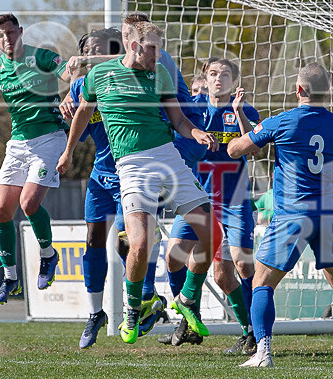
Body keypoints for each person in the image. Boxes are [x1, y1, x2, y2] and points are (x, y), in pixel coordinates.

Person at [57, 21, 218, 345]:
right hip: (131, 167)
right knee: (139, 244)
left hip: (169, 159)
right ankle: (133, 308)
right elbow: (83, 113)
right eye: (153, 47)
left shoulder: (160, 75)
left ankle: (187, 299)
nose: (159, 54)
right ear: (134, 46)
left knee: (212, 232)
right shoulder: (99, 76)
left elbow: (177, 119)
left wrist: (196, 132)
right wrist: (68, 151)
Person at [227, 63, 333, 368]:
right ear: (328, 91)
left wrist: (237, 127)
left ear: (299, 90)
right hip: (325, 216)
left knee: (261, 283)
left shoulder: (282, 121)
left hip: (291, 216)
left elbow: (237, 150)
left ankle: (263, 353)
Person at [59, 28, 163, 348]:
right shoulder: (82, 87)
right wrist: (68, 107)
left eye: (97, 50)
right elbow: (78, 126)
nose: (90, 56)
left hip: (132, 174)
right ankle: (95, 313)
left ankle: (147, 298)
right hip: (100, 174)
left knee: (126, 241)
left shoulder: (131, 81)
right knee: (93, 239)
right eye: (87, 51)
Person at [0, 13, 68, 305]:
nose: (7, 38)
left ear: (20, 31)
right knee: (1, 212)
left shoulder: (41, 57)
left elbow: (69, 73)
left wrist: (73, 85)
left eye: (10, 32)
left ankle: (48, 255)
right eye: (0, 35)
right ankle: (10, 278)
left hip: (50, 137)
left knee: (29, 203)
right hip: (18, 143)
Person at [165, 57, 260, 355]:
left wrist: (238, 113)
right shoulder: (191, 109)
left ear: (235, 81)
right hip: (197, 199)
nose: (219, 79)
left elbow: (253, 149)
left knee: (236, 268)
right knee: (174, 257)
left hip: (234, 201)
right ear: (205, 79)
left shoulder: (244, 110)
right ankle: (188, 317)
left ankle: (253, 332)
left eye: (226, 74)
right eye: (214, 74)